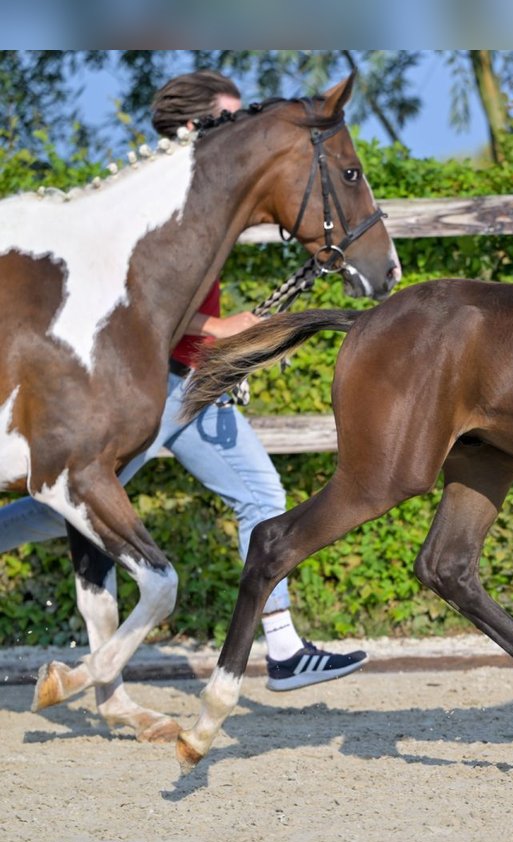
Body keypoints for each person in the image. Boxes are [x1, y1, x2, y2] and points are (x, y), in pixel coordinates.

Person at [0, 70, 366, 692]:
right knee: (69, 495)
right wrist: (223, 328)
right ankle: (280, 649)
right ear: (194, 126)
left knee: (252, 488)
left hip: (190, 376)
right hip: (152, 380)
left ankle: (283, 648)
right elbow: (132, 298)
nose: (240, 126)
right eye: (227, 117)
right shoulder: (154, 206)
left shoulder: (209, 196)